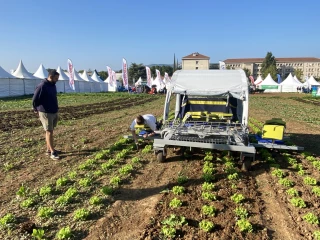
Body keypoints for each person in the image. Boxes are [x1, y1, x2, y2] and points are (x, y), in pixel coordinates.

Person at [32, 69, 60, 160]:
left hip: (53, 111)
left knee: (50, 131)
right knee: (49, 131)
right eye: (56, 78)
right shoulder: (42, 86)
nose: (57, 80)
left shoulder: (53, 85)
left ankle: (48, 149)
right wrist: (35, 109)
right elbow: (35, 99)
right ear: (50, 77)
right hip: (45, 112)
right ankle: (53, 152)